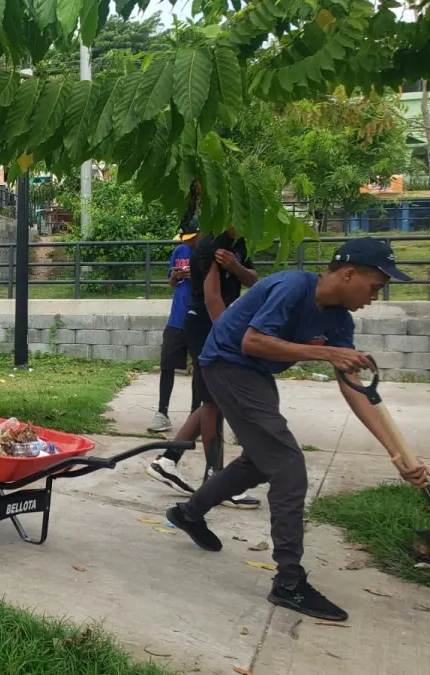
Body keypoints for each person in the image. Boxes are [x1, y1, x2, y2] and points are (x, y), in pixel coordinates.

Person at [166, 238, 428, 621]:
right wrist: (327, 352)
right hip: (226, 363)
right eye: (374, 287)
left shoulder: (340, 321)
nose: (374, 297)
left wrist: (399, 456)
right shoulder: (292, 286)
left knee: (261, 460)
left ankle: (189, 514)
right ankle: (289, 582)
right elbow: (252, 341)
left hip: (255, 373)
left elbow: (355, 388)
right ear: (349, 274)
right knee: (287, 463)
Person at [147, 204, 261, 509]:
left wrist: (235, 268)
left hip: (221, 323)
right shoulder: (209, 246)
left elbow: (253, 279)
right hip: (205, 324)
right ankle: (216, 478)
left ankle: (169, 460)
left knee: (212, 401)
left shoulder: (239, 244)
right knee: (213, 402)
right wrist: (229, 337)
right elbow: (211, 298)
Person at [147, 223, 201, 434]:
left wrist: (195, 275)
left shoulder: (207, 253)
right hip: (176, 318)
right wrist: (176, 276)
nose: (188, 242)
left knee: (199, 368)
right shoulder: (179, 251)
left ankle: (195, 415)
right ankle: (162, 413)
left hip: (198, 318)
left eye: (191, 237)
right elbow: (171, 282)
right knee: (167, 364)